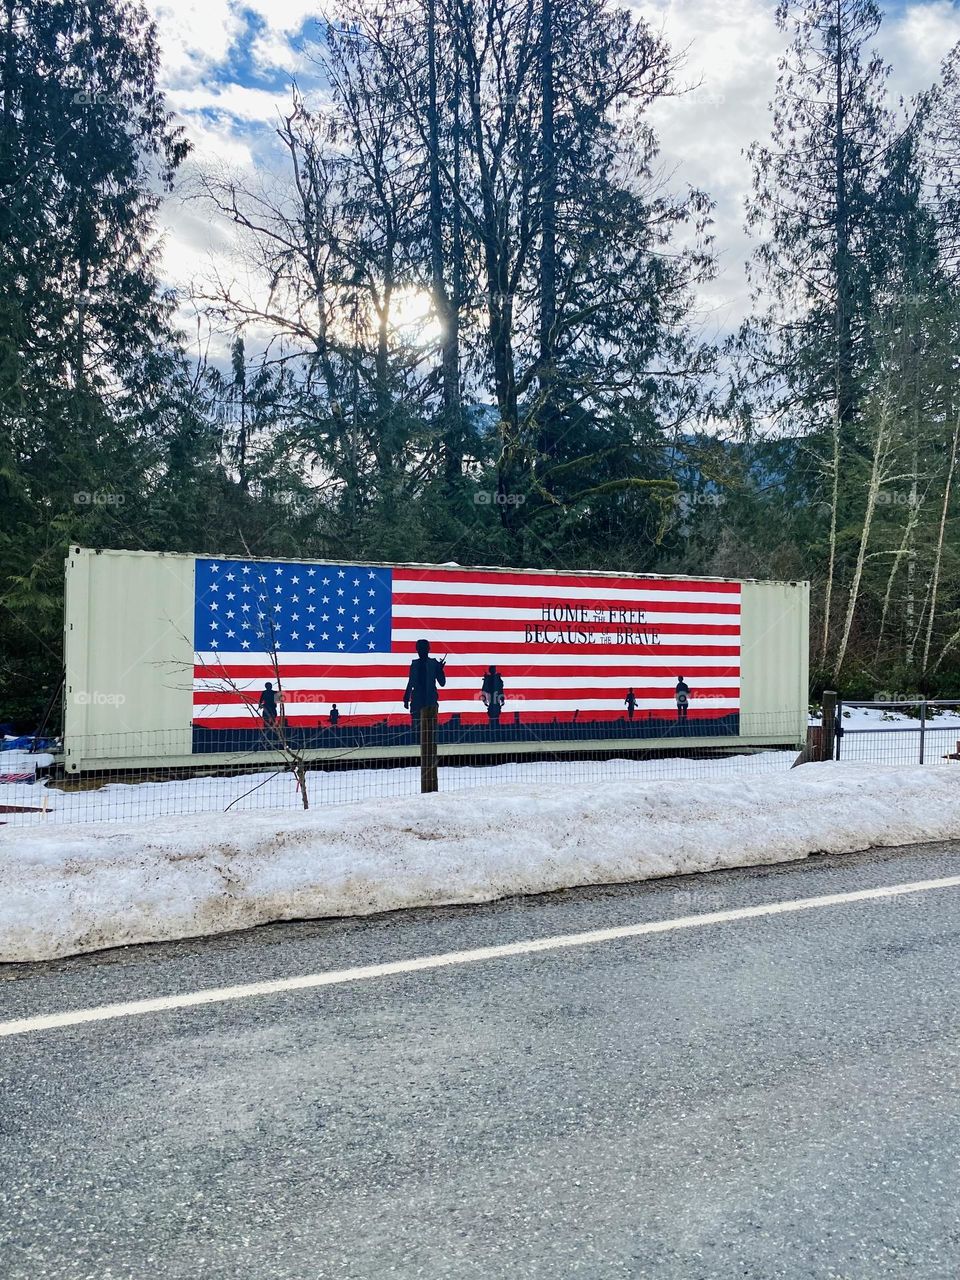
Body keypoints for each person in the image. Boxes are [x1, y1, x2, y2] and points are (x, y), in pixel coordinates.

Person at [403, 638, 446, 734]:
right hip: (417, 703)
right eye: (420, 649)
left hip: (430, 702)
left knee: (431, 732)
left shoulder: (433, 664)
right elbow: (411, 682)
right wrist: (406, 698)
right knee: (417, 732)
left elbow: (442, 682)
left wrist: (440, 670)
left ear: (428, 649)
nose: (421, 651)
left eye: (423, 649)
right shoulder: (415, 665)